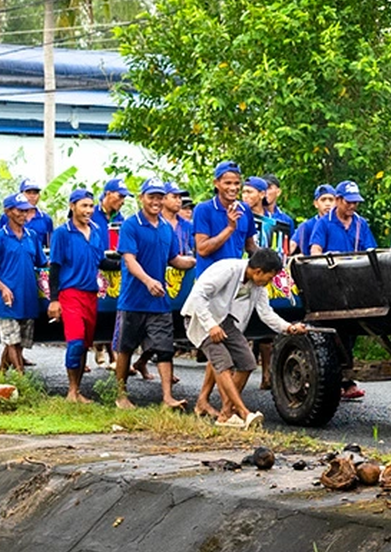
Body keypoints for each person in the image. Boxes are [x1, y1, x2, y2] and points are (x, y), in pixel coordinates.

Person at [184, 247, 310, 427]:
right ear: (259, 271)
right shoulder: (227, 270)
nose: (270, 282)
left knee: (247, 362)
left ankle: (226, 413)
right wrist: (210, 324)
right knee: (223, 362)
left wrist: (288, 327)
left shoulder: (258, 285)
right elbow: (198, 295)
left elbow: (266, 313)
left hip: (225, 321)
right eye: (270, 277)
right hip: (200, 318)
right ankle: (243, 412)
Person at [114, 180, 197, 410]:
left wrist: (191, 262)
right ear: (142, 197)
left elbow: (173, 259)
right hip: (133, 299)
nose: (156, 201)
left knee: (164, 348)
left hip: (159, 301)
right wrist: (148, 280)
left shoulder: (165, 228)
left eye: (160, 197)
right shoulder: (131, 225)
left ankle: (167, 397)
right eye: (152, 196)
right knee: (125, 348)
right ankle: (120, 395)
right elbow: (129, 260)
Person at [48, 186, 109, 402]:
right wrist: (54, 299)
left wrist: (127, 262)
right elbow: (54, 267)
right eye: (84, 205)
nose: (88, 210)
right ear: (72, 206)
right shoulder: (62, 233)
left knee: (85, 344)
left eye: (91, 206)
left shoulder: (97, 231)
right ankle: (71, 390)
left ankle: (79, 390)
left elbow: (101, 261)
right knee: (75, 341)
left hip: (91, 295)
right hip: (70, 293)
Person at [0, 193, 42, 376]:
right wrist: (3, 287)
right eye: (19, 210)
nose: (24, 215)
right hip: (8, 298)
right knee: (12, 340)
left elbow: (42, 261)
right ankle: (21, 378)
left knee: (20, 341)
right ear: (8, 212)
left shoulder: (32, 236)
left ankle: (1, 375)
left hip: (28, 296)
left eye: (26, 211)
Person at [193, 161, 255, 264]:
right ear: (216, 183)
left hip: (235, 276)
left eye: (237, 183)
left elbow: (250, 246)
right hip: (210, 277)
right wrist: (230, 228)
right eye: (228, 183)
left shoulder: (245, 210)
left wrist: (270, 260)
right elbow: (202, 250)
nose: (233, 188)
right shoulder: (203, 209)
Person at [307, 180, 377, 254]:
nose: (352, 206)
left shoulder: (361, 223)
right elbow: (315, 250)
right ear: (337, 200)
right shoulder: (323, 223)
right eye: (348, 202)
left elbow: (371, 249)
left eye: (355, 202)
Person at [290, 185, 336, 255]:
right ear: (316, 203)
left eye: (331, 200)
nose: (327, 204)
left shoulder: (341, 224)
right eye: (323, 200)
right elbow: (291, 245)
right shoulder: (306, 226)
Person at [17, 178, 52, 248]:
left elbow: (50, 245)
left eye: (35, 193)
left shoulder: (46, 219)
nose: (32, 196)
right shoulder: (9, 217)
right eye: (28, 193)